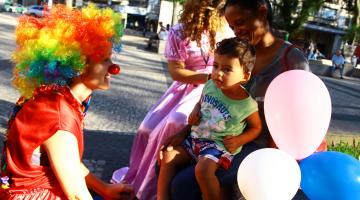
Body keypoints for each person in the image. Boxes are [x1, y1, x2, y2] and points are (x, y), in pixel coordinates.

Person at [163, 0, 326, 199]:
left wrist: (272, 164)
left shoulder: (292, 60)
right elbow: (212, 102)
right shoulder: (237, 53)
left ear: (262, 12)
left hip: (259, 146)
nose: (236, 31)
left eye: (240, 22)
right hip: (218, 137)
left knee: (183, 185)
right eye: (231, 26)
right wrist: (185, 131)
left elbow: (299, 119)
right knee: (164, 161)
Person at [0, 4, 133, 199]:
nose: (114, 68)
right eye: (105, 60)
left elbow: (67, 160)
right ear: (79, 65)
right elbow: (77, 195)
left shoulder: (57, 97)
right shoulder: (58, 115)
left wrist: (104, 188)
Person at [122, 0, 232, 199]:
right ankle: (143, 180)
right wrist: (207, 77)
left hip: (215, 90)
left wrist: (218, 80)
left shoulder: (227, 31)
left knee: (176, 122)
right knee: (147, 127)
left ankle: (156, 189)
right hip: (186, 88)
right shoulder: (180, 31)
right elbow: (176, 71)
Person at [157, 38, 261, 200]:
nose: (218, 73)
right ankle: (161, 197)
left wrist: (240, 140)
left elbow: (256, 128)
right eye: (216, 66)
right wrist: (196, 110)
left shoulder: (247, 105)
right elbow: (202, 101)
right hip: (195, 139)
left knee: (203, 171)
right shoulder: (211, 85)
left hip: (218, 146)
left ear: (245, 76)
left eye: (227, 69)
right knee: (168, 156)